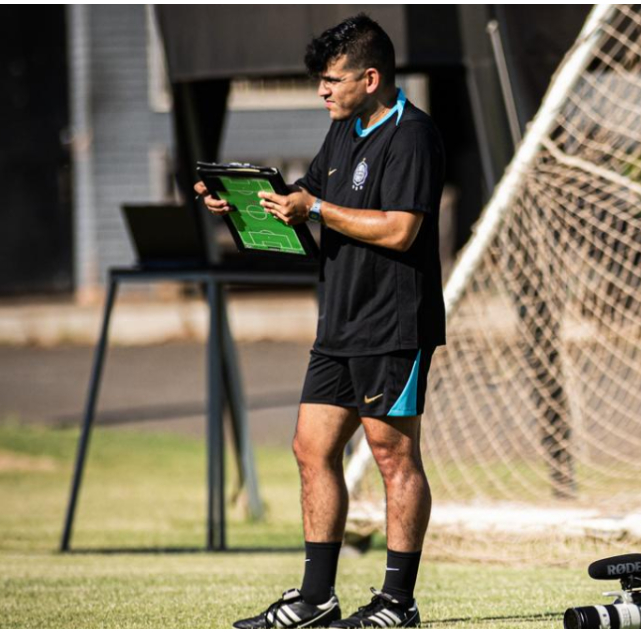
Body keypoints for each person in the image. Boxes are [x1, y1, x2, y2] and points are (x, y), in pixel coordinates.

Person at [195, 13, 445, 629]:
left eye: (332, 80)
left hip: (394, 324)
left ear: (370, 76)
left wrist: (319, 209)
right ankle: (315, 600)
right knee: (311, 449)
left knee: (392, 455)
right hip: (339, 323)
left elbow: (400, 227)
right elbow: (304, 198)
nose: (321, 92)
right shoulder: (343, 130)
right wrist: (242, 201)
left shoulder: (413, 135)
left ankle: (396, 602)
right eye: (319, 82)